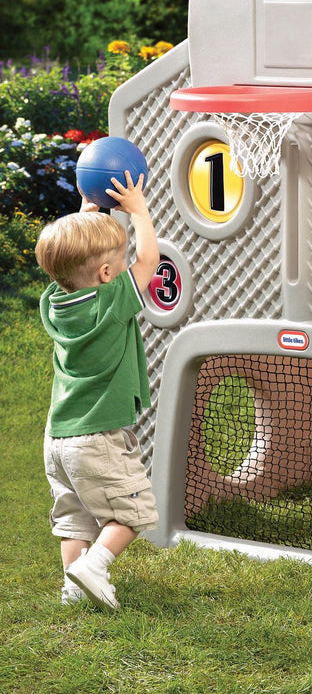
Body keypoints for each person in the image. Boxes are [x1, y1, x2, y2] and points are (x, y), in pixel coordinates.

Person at [34, 170, 159, 610]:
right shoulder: (112, 300)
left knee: (74, 518)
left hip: (58, 437)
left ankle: (73, 588)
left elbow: (70, 260)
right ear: (107, 273)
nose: (127, 265)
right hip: (97, 437)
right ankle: (94, 566)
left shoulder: (55, 302)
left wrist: (87, 216)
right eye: (120, 261)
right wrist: (139, 212)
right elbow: (149, 261)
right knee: (134, 511)